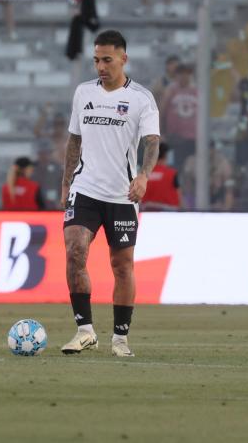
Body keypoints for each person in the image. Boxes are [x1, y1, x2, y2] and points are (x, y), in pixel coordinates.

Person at [60, 30, 160, 358]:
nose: (101, 66)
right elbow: (74, 140)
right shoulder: (83, 92)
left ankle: (120, 337)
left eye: (107, 60)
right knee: (75, 252)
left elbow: (152, 142)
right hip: (85, 188)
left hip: (122, 195)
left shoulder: (141, 98)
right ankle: (85, 330)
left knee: (122, 265)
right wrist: (65, 184)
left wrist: (144, 176)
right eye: (96, 60)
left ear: (123, 59)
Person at [159, 63, 197, 166]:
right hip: (176, 136)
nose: (184, 76)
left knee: (192, 165)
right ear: (177, 75)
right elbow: (162, 111)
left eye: (186, 74)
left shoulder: (196, 91)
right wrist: (161, 132)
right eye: (181, 74)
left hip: (194, 137)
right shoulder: (171, 90)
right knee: (178, 165)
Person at [141, 141, 181, 211]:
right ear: (166, 155)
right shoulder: (171, 174)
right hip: (168, 213)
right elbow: (179, 196)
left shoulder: (144, 174)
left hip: (147, 213)